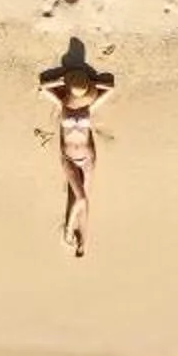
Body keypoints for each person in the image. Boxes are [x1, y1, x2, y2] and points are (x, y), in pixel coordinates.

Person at [39, 59, 114, 257]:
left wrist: (91, 84)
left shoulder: (89, 106)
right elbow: (43, 87)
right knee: (79, 197)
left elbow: (111, 89)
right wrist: (63, 80)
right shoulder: (63, 104)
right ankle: (68, 230)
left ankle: (83, 243)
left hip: (88, 158)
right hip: (68, 157)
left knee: (85, 200)